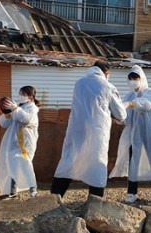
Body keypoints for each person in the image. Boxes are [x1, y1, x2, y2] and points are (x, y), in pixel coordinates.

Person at [51, 60, 127, 199]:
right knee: (96, 165)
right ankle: (95, 204)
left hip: (76, 131)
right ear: (106, 73)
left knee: (68, 163)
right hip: (97, 133)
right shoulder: (108, 86)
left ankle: (53, 200)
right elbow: (121, 114)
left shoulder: (79, 83)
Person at [110, 66, 151, 205]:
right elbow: (127, 119)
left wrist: (130, 104)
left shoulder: (150, 93)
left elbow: (146, 105)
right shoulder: (129, 95)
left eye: (135, 78)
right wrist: (118, 118)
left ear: (141, 78)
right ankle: (131, 193)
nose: (133, 81)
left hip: (149, 133)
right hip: (134, 135)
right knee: (134, 163)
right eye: (131, 79)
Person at [0, 86, 40, 199]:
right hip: (13, 143)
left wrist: (15, 109)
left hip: (25, 143)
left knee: (25, 165)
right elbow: (4, 124)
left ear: (30, 97)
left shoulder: (32, 108)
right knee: (10, 164)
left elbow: (25, 120)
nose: (19, 96)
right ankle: (11, 191)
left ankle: (33, 190)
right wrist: (6, 114)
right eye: (19, 94)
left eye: (23, 94)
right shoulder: (18, 107)